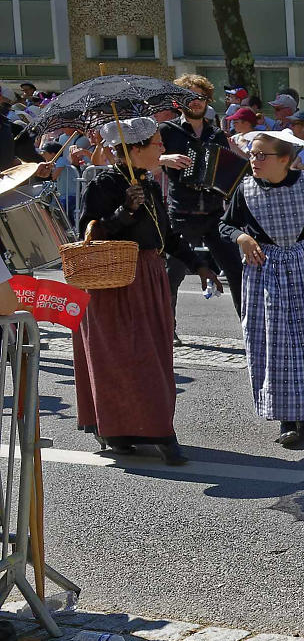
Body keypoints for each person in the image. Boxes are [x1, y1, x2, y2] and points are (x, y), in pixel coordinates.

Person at [72, 118, 218, 465]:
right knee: (119, 358)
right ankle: (128, 432)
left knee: (152, 357)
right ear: (134, 150)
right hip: (113, 284)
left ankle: (150, 427)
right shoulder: (104, 184)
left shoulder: (149, 185)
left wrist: (199, 264)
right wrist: (125, 211)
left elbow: (167, 236)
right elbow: (88, 234)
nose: (163, 148)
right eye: (157, 143)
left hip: (149, 278)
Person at [220, 129, 304, 448]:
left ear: (284, 160)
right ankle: (286, 417)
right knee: (275, 341)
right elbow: (225, 224)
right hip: (265, 270)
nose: (254, 160)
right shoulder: (245, 188)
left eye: (261, 155)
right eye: (251, 154)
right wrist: (242, 237)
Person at [159, 75, 245, 317]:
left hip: (214, 215)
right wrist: (164, 159)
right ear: (179, 101)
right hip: (182, 215)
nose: (196, 102)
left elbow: (229, 170)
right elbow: (142, 159)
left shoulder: (216, 134)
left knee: (236, 272)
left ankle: (249, 327)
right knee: (172, 276)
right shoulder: (167, 130)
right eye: (190, 97)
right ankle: (167, 329)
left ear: (207, 100)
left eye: (200, 97)